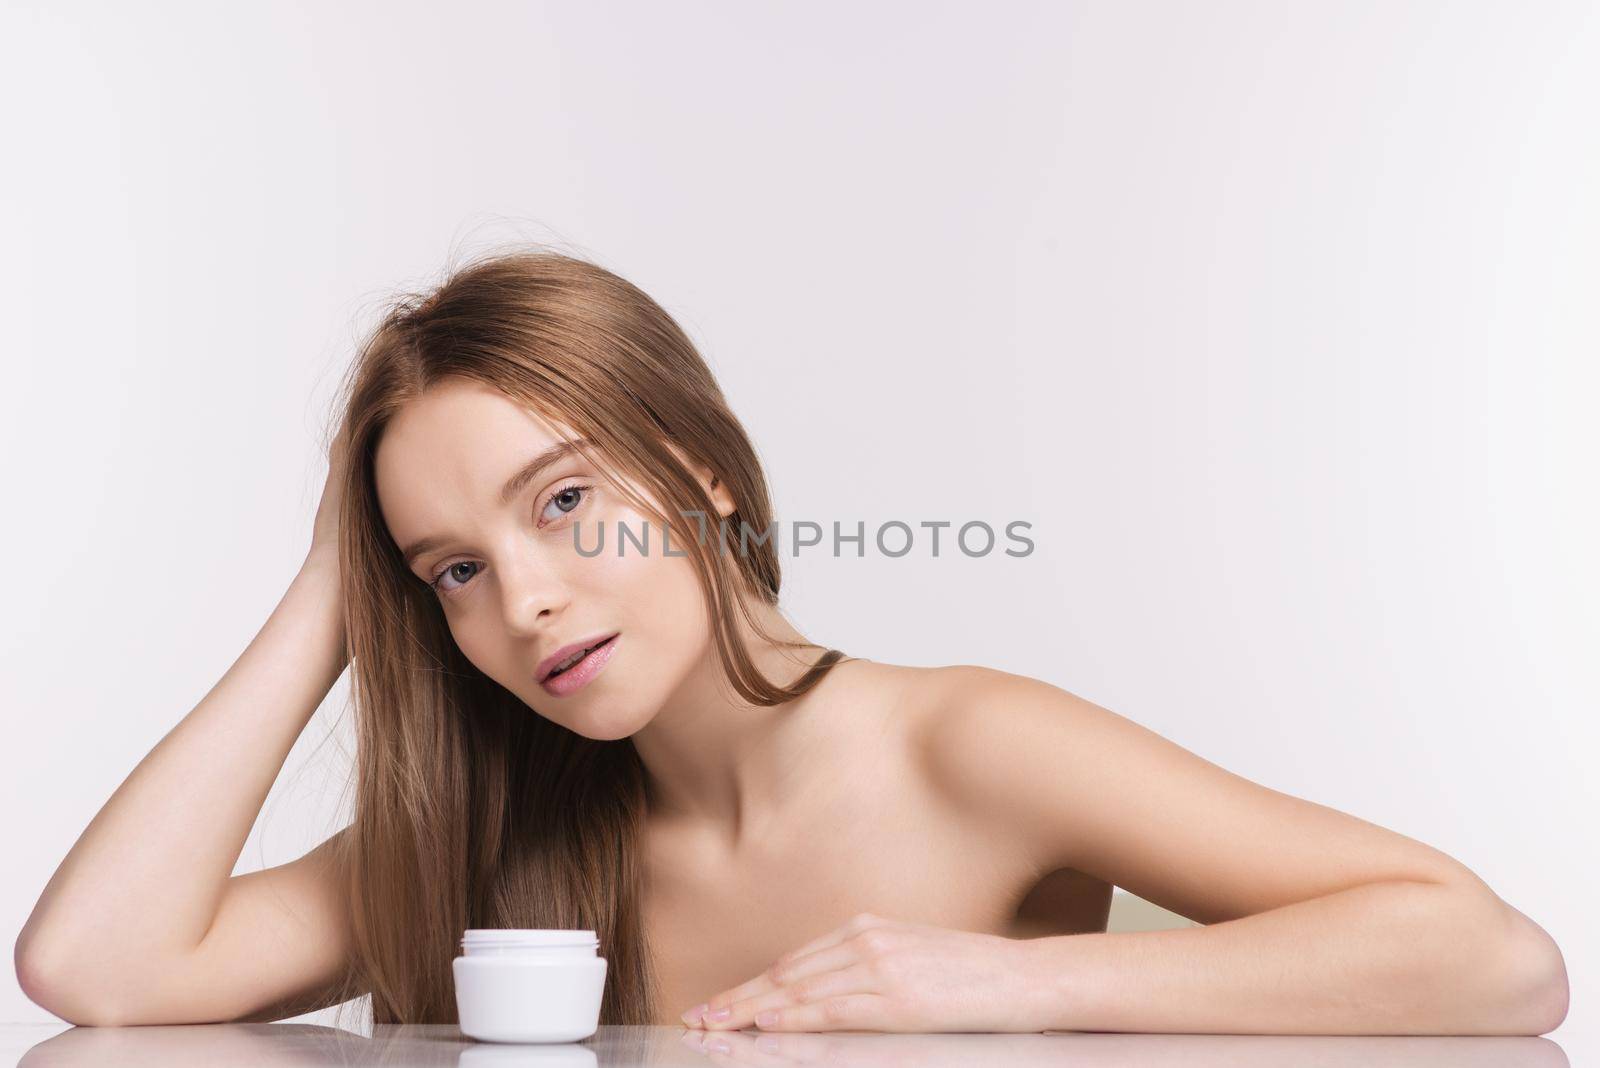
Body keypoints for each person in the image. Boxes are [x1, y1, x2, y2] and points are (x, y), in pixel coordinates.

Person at [14, 250, 1568, 1036]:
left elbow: (1496, 958)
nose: (527, 601)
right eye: (454, 571)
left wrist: (995, 986)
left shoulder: (963, 748)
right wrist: (332, 592)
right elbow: (95, 968)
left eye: (562, 502)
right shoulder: (499, 830)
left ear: (698, 471)